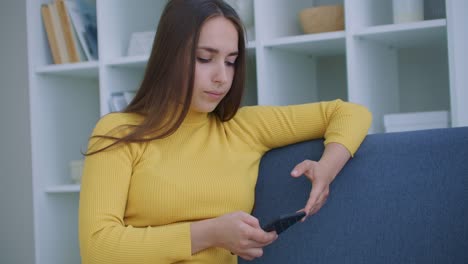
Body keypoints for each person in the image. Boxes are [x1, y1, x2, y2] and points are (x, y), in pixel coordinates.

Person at [78, 0, 372, 263]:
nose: (222, 77)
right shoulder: (119, 131)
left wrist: (327, 169)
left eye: (231, 61)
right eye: (205, 58)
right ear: (168, 56)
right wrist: (211, 233)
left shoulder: (245, 127)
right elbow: (98, 248)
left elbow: (349, 112)